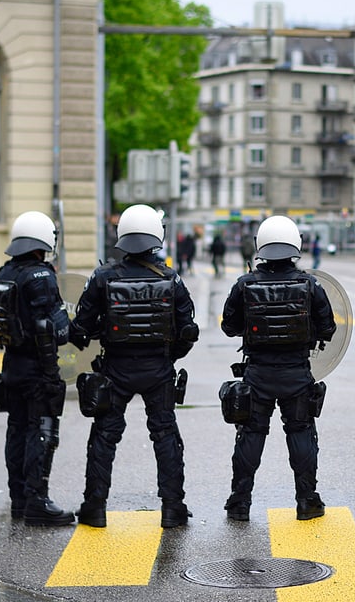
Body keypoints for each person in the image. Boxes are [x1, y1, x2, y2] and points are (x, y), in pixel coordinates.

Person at [70, 204, 199, 528]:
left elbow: (80, 328)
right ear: (157, 236)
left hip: (115, 369)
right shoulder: (171, 279)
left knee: (104, 436)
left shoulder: (103, 277)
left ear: (121, 236)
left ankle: (95, 508)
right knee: (166, 435)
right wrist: (169, 356)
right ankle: (173, 509)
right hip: (158, 369)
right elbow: (187, 329)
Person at [220, 215, 337, 521]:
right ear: (295, 246)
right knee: (301, 434)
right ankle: (307, 500)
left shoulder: (245, 285)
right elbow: (328, 328)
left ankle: (239, 502)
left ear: (261, 247)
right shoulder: (310, 284)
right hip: (297, 373)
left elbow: (229, 327)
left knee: (251, 435)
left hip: (257, 373)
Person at [0, 211, 74, 526]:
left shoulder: (5, 272)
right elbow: (57, 329)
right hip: (38, 366)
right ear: (43, 240)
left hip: (11, 365)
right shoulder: (41, 276)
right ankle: (38, 500)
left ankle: (19, 499)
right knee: (42, 430)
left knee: (16, 429)